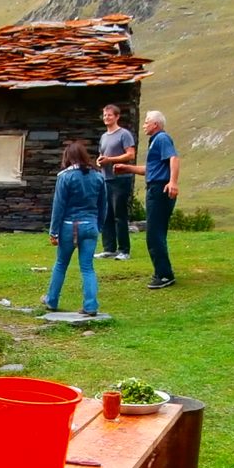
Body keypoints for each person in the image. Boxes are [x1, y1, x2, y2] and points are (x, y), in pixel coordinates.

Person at [114, 108, 180, 289]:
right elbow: (150, 171)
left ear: (155, 124)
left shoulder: (162, 138)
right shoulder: (155, 141)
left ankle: (165, 275)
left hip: (160, 190)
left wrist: (173, 182)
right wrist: (127, 168)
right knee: (156, 233)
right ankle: (162, 271)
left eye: (146, 122)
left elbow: (174, 159)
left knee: (154, 234)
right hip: (155, 187)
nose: (143, 125)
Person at [43, 140, 106, 316]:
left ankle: (52, 300)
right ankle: (91, 305)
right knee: (87, 267)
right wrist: (98, 225)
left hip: (69, 226)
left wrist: (54, 231)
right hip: (90, 225)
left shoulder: (64, 177)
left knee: (61, 264)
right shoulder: (98, 176)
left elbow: (59, 206)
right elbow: (103, 205)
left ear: (68, 157)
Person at [94, 104, 135, 259]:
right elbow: (102, 154)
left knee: (120, 215)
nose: (106, 118)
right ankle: (109, 248)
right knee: (106, 214)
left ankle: (124, 250)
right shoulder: (104, 137)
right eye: (104, 115)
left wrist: (110, 160)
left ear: (117, 117)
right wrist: (100, 161)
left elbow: (130, 154)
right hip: (106, 179)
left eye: (109, 115)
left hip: (120, 179)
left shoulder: (124, 134)